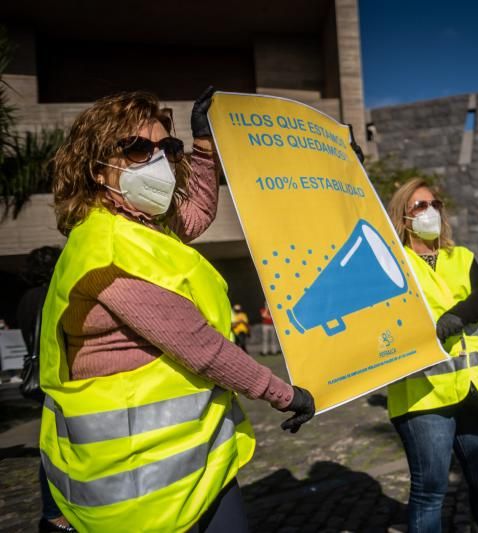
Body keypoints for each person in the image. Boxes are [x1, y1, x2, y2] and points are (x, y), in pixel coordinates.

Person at [40, 90, 315, 532]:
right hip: (138, 478)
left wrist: (203, 146)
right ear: (97, 169)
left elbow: (195, 213)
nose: (159, 161)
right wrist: (286, 394)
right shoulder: (109, 247)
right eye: (137, 148)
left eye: (167, 148)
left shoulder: (140, 227)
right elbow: (201, 347)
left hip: (188, 454)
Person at [386, 177, 478, 532]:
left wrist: (452, 319)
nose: (431, 211)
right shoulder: (393, 262)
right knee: (430, 491)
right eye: (420, 206)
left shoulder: (462, 256)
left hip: (476, 389)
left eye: (435, 204)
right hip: (424, 396)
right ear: (403, 217)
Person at [16, 247, 75, 533]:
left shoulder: (26, 299)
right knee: (60, 445)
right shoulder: (52, 294)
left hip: (40, 378)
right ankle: (55, 511)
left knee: (52, 443)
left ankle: (56, 510)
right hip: (56, 376)